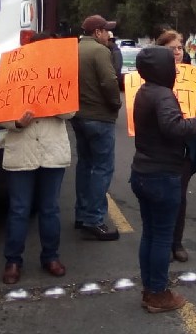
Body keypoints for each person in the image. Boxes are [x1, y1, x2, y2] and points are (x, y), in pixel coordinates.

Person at [131, 46, 196, 312]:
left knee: (150, 234)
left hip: (143, 172)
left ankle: (150, 289)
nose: (175, 69)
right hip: (162, 175)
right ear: (160, 68)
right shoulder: (162, 94)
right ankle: (159, 294)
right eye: (170, 65)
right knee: (162, 236)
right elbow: (173, 128)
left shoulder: (145, 91)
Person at [0, 32, 73, 285]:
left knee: (50, 208)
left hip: (51, 151)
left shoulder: (62, 73)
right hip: (22, 150)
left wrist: (54, 103)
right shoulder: (12, 71)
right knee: (19, 209)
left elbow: (71, 112)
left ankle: (51, 256)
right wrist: (16, 123)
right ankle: (13, 261)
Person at [155, 30, 196, 262]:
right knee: (161, 196)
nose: (177, 52)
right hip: (160, 147)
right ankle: (161, 242)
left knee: (179, 196)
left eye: (179, 48)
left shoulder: (193, 76)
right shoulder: (152, 80)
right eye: (171, 48)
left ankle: (176, 242)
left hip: (186, 146)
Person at [73, 14, 122, 241]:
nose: (108, 34)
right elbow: (109, 81)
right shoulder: (100, 51)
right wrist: (115, 104)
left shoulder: (73, 49)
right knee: (102, 168)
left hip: (78, 115)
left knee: (85, 165)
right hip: (99, 117)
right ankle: (94, 219)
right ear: (97, 32)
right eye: (106, 30)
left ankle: (82, 214)